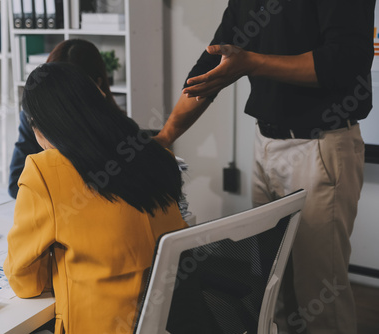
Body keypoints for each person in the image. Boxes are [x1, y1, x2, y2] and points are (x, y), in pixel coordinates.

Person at [154, 1, 374, 334]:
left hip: (320, 146)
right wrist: (164, 138)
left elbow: (344, 63)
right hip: (265, 145)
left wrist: (252, 62)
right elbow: (211, 68)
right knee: (274, 287)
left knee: (319, 294)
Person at [3, 62, 187, 334]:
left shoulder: (43, 172)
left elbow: (25, 283)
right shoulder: (157, 154)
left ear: (39, 127)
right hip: (171, 322)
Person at [8, 39, 125, 198]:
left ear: (97, 86)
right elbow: (16, 185)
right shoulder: (34, 118)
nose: (62, 101)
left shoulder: (115, 125)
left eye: (73, 88)